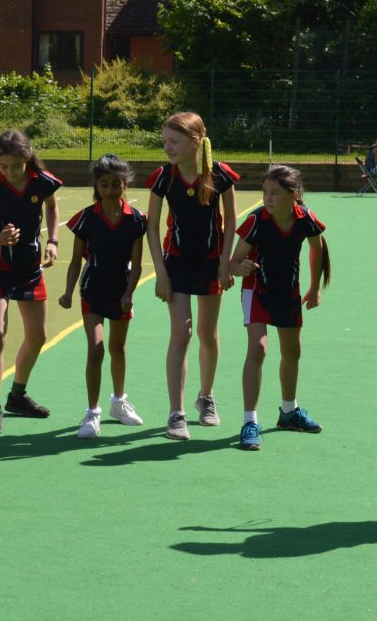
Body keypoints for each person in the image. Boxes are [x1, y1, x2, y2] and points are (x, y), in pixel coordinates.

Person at [147, 111, 241, 440]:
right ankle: (177, 413)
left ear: (195, 142)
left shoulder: (219, 174)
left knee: (208, 334)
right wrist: (161, 274)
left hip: (211, 264)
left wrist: (225, 263)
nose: (167, 147)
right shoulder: (163, 177)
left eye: (174, 142)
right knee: (181, 334)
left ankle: (207, 397)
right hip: (176, 264)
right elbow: (152, 226)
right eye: (165, 142)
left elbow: (230, 221)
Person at [228, 166, 331, 451]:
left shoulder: (304, 218)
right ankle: (250, 421)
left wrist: (314, 288)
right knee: (258, 348)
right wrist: (240, 268)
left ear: (294, 195)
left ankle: (289, 412)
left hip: (288, 291)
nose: (267, 198)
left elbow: (317, 248)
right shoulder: (256, 220)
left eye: (274, 193)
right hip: (256, 290)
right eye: (265, 192)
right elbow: (233, 262)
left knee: (292, 352)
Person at [0, 129, 62, 435]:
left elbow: (51, 208)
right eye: (3, 166)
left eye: (14, 166)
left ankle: (17, 396)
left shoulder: (43, 181)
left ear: (27, 157)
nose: (8, 172)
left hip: (30, 269)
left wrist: (54, 241)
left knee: (37, 336)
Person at [59, 154, 147, 438]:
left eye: (116, 184)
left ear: (126, 184)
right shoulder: (86, 218)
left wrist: (129, 293)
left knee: (117, 349)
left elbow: (137, 263)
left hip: (120, 292)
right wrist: (68, 292)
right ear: (96, 186)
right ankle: (92, 412)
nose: (110, 189)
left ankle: (119, 403)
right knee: (95, 349)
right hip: (92, 290)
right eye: (104, 184)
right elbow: (75, 261)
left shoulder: (136, 220)